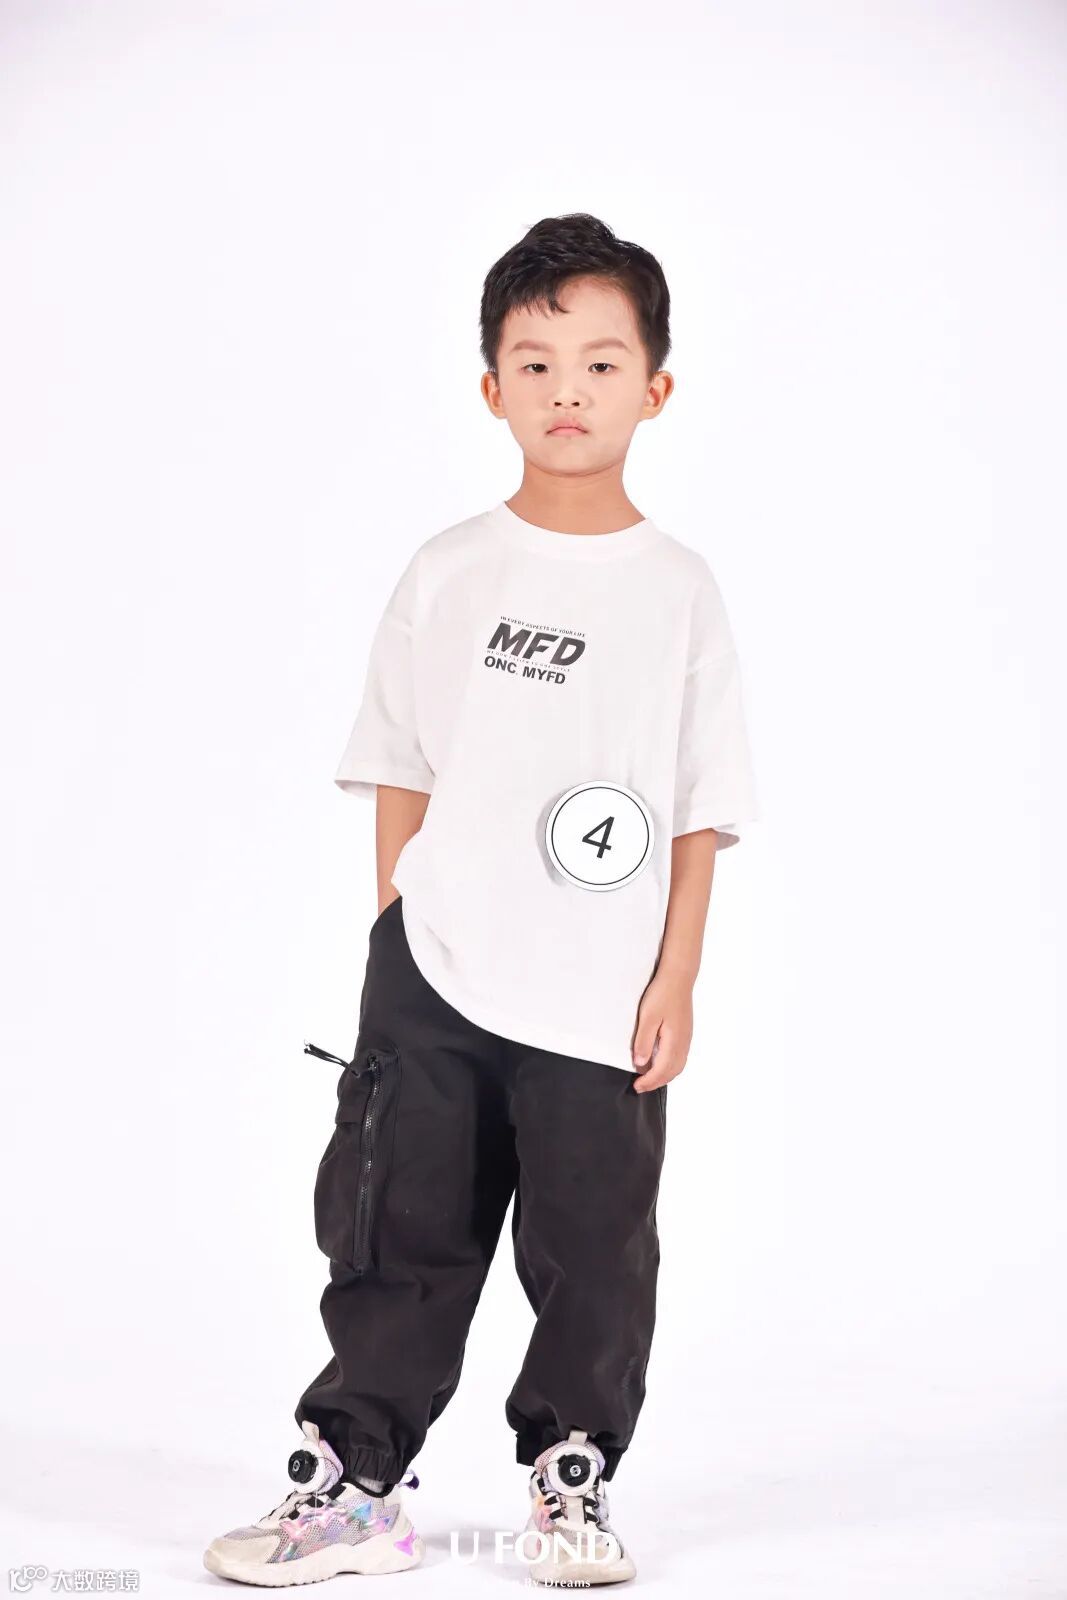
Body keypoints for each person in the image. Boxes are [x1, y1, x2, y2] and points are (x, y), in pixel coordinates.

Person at [204, 212, 760, 1587]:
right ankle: (358, 1487)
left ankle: (571, 1478)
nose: (568, 390)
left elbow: (701, 804)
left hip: (603, 989)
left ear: (656, 388)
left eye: (601, 363)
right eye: (535, 363)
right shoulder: (449, 569)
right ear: (491, 388)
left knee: (594, 1249)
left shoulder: (679, 593)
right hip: (434, 976)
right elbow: (400, 762)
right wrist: (397, 927)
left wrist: (677, 975)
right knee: (397, 1232)